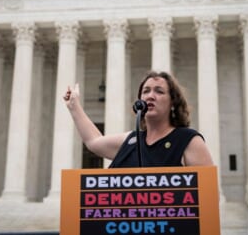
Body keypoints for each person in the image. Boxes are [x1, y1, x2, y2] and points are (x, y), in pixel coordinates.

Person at [63, 70, 213, 168]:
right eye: (146, 91)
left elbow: (208, 195)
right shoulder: (130, 140)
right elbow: (93, 141)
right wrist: (74, 107)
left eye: (159, 91)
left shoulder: (188, 141)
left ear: (173, 102)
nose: (150, 96)